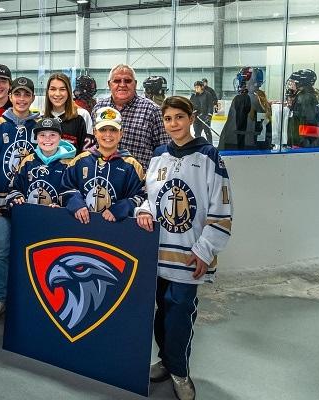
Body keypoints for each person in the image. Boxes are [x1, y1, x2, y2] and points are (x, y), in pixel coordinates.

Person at [135, 96, 233, 400]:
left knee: (180, 314)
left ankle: (179, 371)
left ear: (191, 118)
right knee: (161, 312)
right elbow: (150, 196)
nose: (173, 123)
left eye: (179, 117)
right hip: (158, 252)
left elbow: (221, 207)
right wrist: (144, 210)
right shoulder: (159, 155)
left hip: (190, 255)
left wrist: (205, 249)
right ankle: (166, 361)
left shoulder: (209, 156)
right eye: (168, 119)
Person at [0, 76, 41, 324]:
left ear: (33, 97)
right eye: (18, 94)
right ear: (10, 96)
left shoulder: (41, 126)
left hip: (31, 204)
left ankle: (28, 300)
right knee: (1, 251)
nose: (22, 99)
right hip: (1, 204)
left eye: (27, 94)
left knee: (31, 253)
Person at [60, 106, 146, 226]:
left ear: (121, 133)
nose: (108, 134)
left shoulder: (132, 166)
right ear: (95, 132)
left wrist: (121, 208)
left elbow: (141, 196)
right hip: (80, 227)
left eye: (113, 130)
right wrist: (76, 204)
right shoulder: (79, 161)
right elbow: (65, 189)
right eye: (103, 129)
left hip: (116, 229)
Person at [92, 64, 168, 168]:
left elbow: (164, 151)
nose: (122, 85)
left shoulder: (152, 111)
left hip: (140, 177)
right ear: (109, 84)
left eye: (127, 81)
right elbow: (93, 146)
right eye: (117, 81)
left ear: (135, 84)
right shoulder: (98, 108)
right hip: (103, 175)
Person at [6, 117, 77, 207]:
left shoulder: (70, 164)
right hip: (29, 214)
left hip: (57, 215)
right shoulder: (27, 161)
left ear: (60, 138)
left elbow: (74, 194)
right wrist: (17, 197)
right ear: (36, 138)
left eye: (52, 135)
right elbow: (14, 188)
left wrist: (62, 208)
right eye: (42, 135)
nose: (47, 139)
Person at [43, 72, 94, 153]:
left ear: (68, 92)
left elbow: (88, 152)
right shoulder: (42, 119)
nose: (57, 94)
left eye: (62, 89)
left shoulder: (82, 115)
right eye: (53, 89)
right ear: (47, 92)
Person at [285, 69, 319, 148]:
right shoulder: (303, 97)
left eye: (293, 82)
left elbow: (310, 125)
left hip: (307, 148)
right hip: (306, 146)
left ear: (301, 83)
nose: (290, 85)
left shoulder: (305, 99)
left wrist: (300, 145)